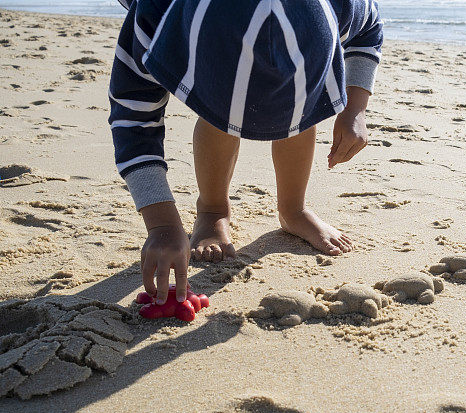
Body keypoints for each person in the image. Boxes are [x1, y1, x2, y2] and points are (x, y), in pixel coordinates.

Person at [109, 0, 383, 305]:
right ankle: (213, 210)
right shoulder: (155, 15)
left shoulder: (340, 6)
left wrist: (355, 107)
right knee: (223, 112)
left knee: (299, 108)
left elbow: (369, 29)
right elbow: (133, 117)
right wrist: (162, 224)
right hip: (188, 24)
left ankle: (293, 210)